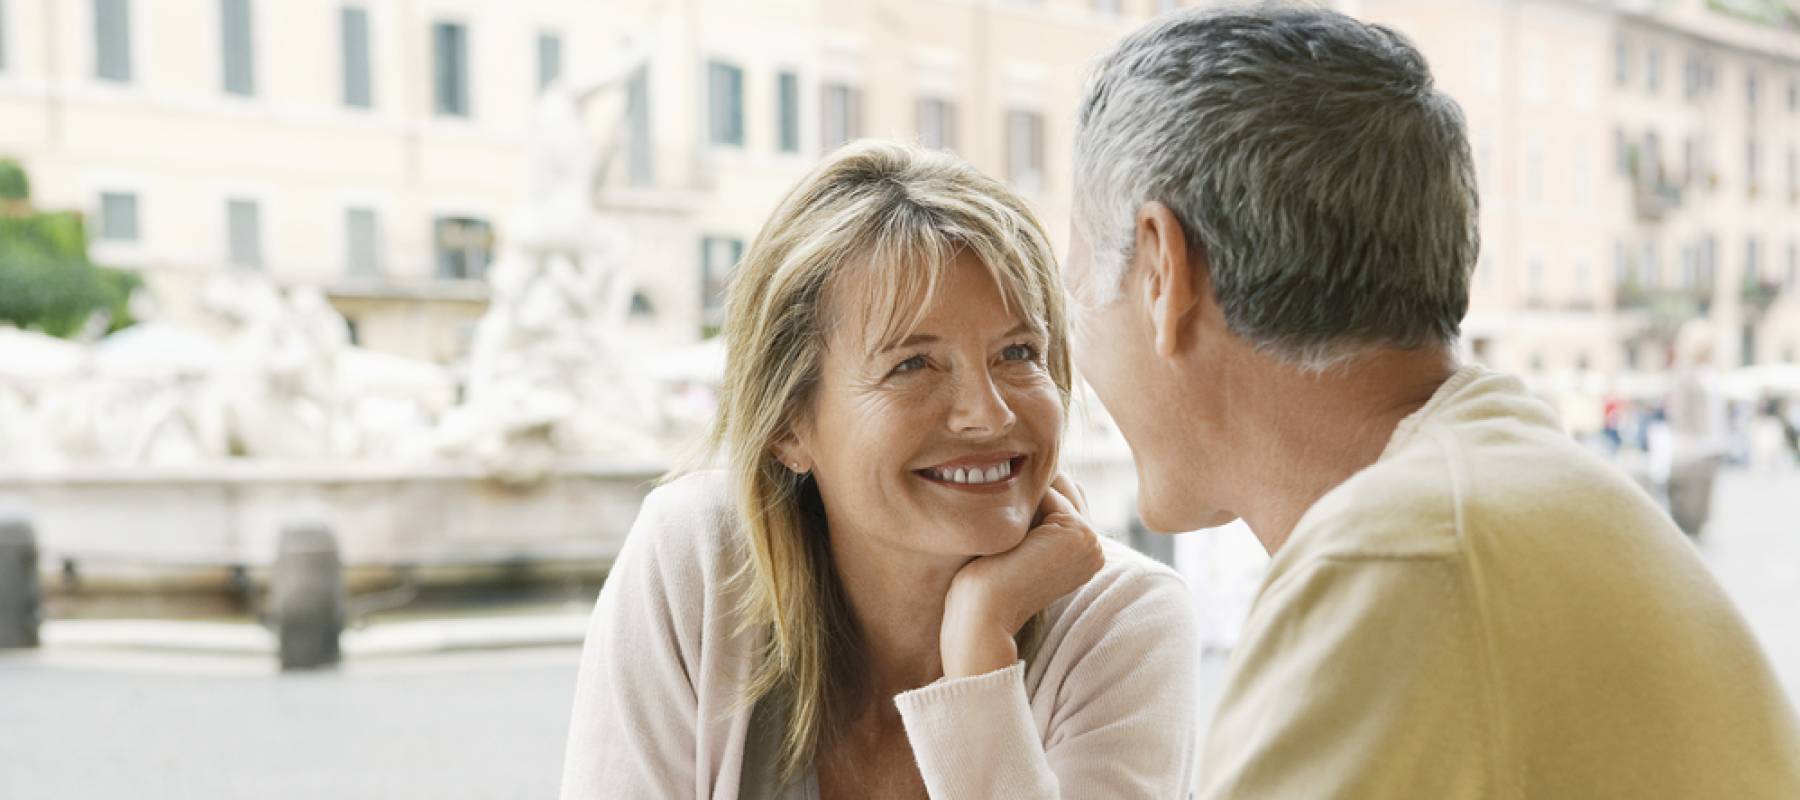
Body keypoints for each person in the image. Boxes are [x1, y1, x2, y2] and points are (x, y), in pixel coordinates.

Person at [1065, 3, 1800, 797]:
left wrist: (977, 685)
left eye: (1073, 288)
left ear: (1160, 273)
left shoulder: (1396, 563)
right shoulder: (1516, 490)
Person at [561, 141, 1201, 799]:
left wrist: (981, 656)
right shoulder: (699, 557)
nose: (988, 413)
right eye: (913, 364)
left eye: (1018, 351)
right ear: (787, 426)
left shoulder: (1125, 622)